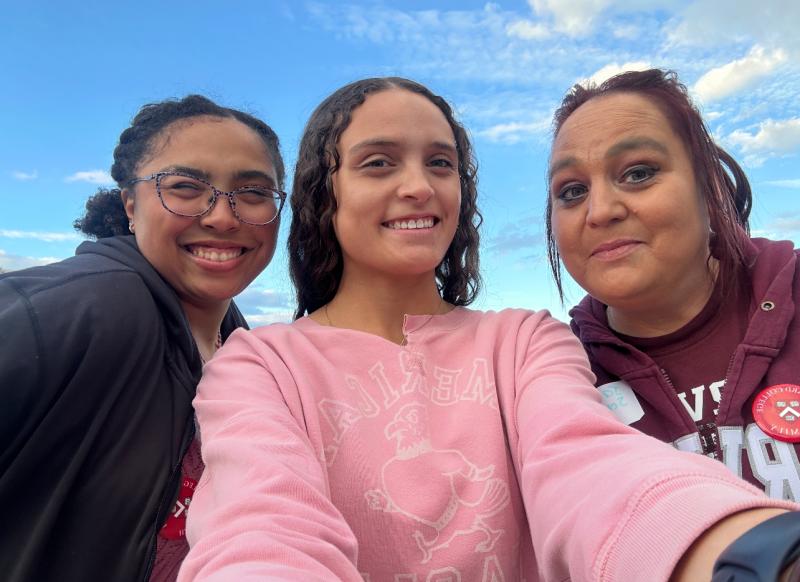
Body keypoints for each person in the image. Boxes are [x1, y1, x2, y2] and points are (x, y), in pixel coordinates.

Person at [179, 77, 796, 582]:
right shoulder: (257, 366)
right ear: (324, 192)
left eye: (440, 163)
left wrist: (745, 550)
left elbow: (588, 466)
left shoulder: (527, 342)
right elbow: (259, 525)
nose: (418, 186)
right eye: (377, 163)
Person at [0, 95, 286, 582]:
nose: (222, 216)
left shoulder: (238, 343)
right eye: (186, 187)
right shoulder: (84, 308)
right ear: (131, 204)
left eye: (254, 192)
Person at [546, 68, 800, 504]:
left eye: (639, 172)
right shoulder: (555, 385)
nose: (600, 211)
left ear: (708, 184)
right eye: (571, 191)